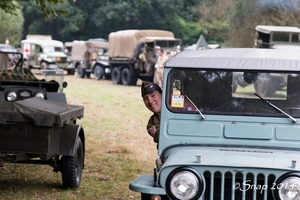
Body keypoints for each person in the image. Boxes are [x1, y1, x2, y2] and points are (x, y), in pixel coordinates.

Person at [141, 81, 162, 145]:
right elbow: (163, 138)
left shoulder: (180, 105)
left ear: (162, 94)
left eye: (153, 95)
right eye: (145, 98)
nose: (150, 101)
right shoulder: (152, 124)